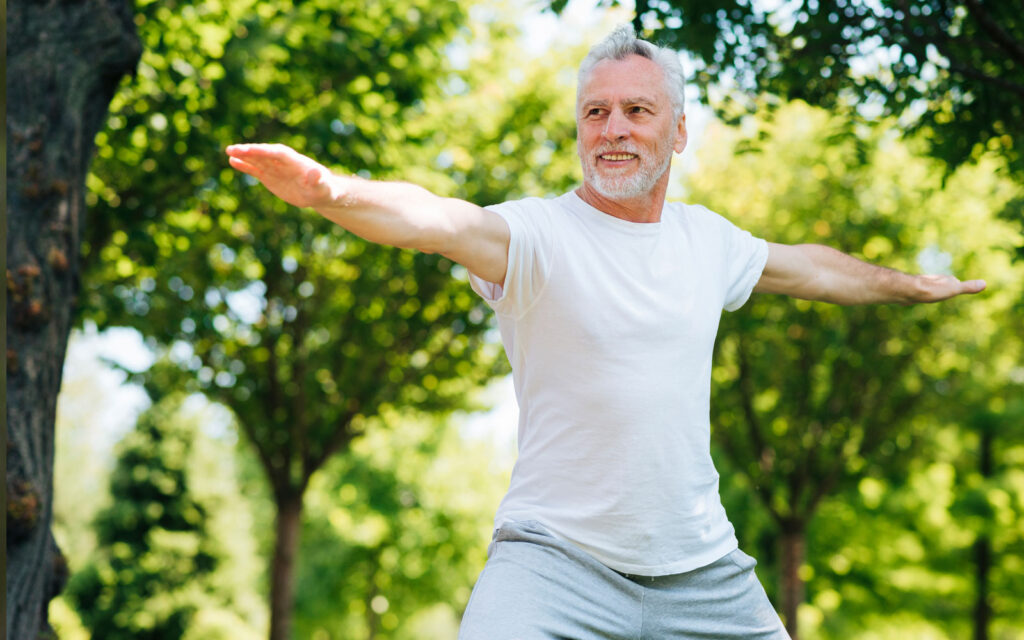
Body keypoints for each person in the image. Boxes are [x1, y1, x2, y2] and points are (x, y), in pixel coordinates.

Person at [227, 25, 984, 640]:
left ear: (678, 132)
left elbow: (812, 269)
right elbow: (439, 221)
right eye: (595, 113)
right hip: (553, 567)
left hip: (704, 574)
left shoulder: (708, 240)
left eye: (636, 111)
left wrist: (908, 285)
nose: (613, 129)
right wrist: (333, 191)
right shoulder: (538, 235)